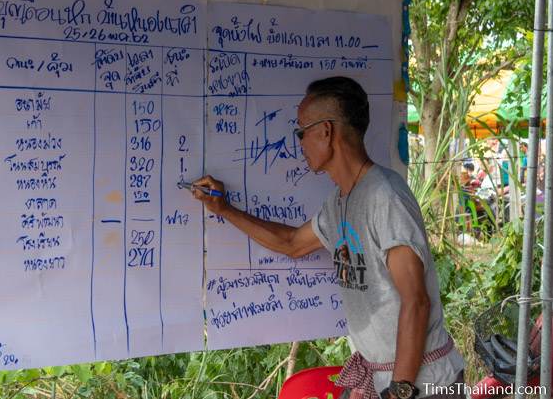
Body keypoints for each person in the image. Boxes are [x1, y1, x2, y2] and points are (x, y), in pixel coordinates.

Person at [191, 76, 465, 399]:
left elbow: (416, 301)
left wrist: (399, 390)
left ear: (326, 131)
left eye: (301, 131)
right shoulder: (339, 204)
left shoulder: (385, 197)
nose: (299, 142)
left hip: (424, 384)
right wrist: (224, 209)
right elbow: (292, 243)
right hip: (384, 381)